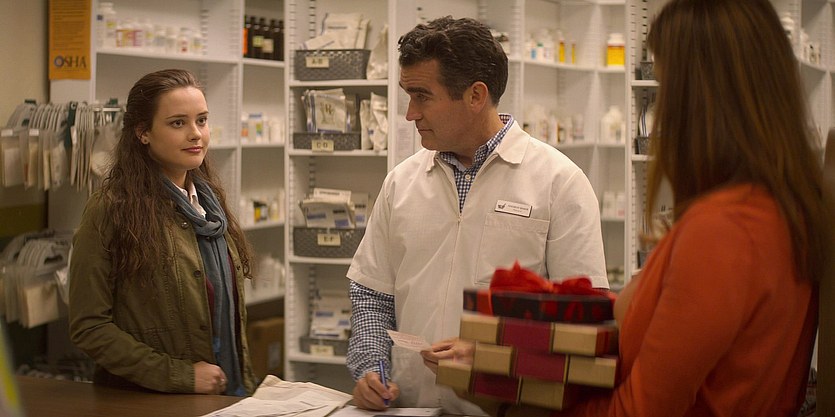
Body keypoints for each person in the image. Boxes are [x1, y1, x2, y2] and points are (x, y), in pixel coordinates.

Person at [428, 1, 833, 416]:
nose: (660, 115)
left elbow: (639, 410)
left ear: (700, 98)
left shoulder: (724, 229)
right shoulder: (781, 209)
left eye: (667, 87)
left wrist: (505, 403)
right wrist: (514, 354)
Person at [346, 16, 608, 414]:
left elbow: (584, 323)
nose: (410, 114)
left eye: (422, 96)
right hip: (411, 407)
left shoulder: (559, 182)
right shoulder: (401, 182)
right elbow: (372, 294)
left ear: (475, 95)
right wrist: (371, 368)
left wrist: (489, 358)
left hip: (507, 410)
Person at [68, 69, 258, 396]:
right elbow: (90, 326)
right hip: (149, 400)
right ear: (143, 132)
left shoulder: (210, 206)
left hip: (223, 391)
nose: (196, 134)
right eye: (178, 123)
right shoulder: (111, 208)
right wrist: (180, 376)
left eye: (201, 120)